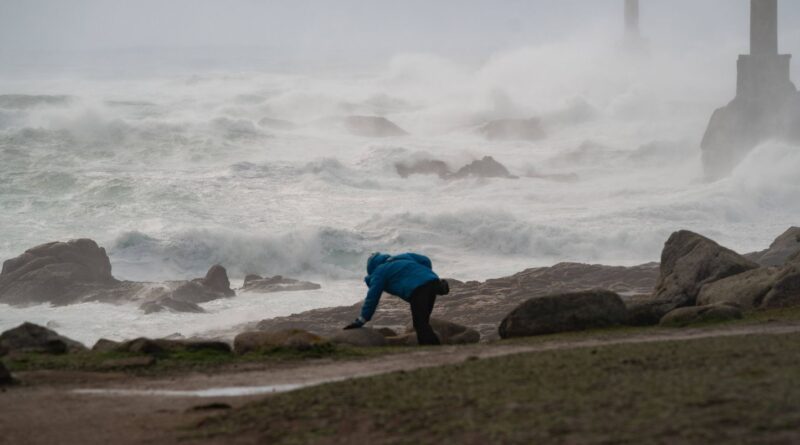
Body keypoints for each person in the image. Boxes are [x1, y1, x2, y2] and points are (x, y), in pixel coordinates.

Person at [344, 252, 449, 345]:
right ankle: (438, 287)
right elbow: (425, 260)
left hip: (418, 290)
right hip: (431, 280)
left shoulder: (379, 272)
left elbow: (372, 297)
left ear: (371, 269)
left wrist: (362, 319)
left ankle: (432, 352)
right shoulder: (402, 257)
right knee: (423, 321)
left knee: (420, 324)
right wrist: (425, 275)